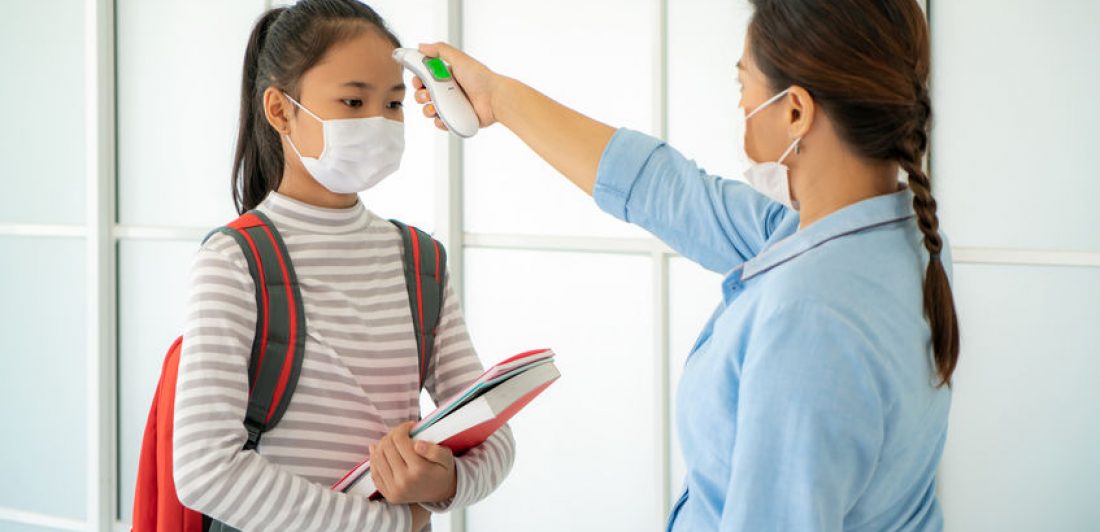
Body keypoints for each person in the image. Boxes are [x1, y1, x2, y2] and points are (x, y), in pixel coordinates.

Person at [410, 0, 956, 529]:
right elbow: (670, 192)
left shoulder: (809, 315)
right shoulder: (898, 240)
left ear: (795, 111)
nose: (741, 106)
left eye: (742, 85)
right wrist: (498, 99)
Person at [172, 2, 513, 530]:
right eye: (353, 100)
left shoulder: (420, 261)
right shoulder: (235, 261)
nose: (377, 122)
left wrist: (444, 483)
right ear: (281, 110)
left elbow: (492, 438)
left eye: (394, 104)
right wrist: (393, 524)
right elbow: (204, 469)